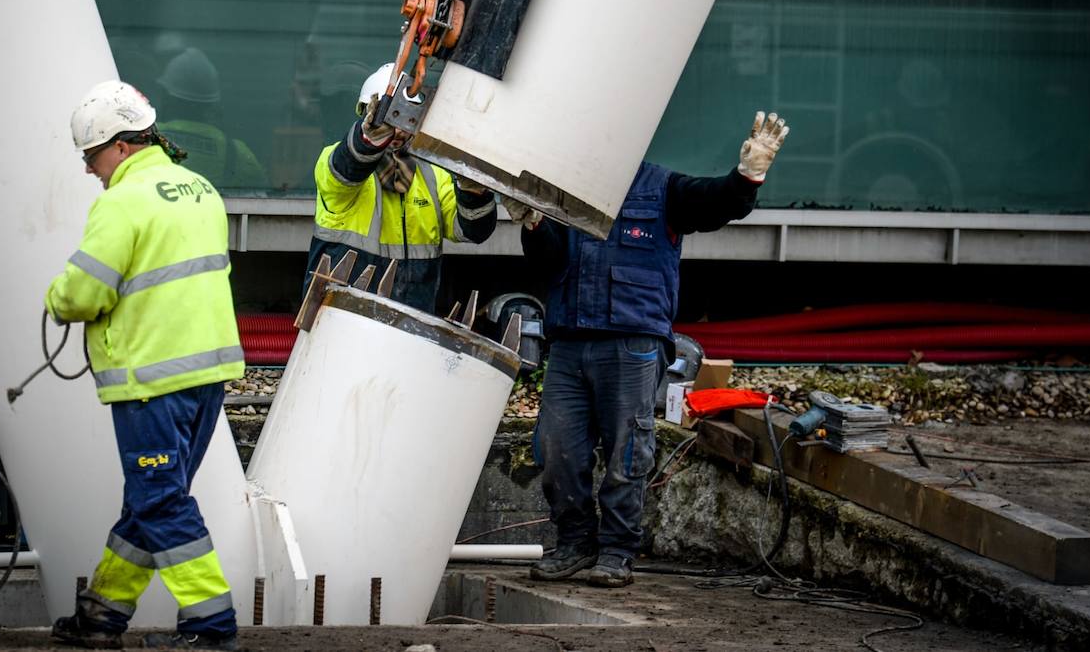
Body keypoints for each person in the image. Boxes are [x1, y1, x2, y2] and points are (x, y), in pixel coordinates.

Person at [520, 111, 790, 588]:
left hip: (632, 343)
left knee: (629, 451)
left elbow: (714, 204)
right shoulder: (566, 191)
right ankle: (575, 543)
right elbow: (548, 260)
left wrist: (747, 176)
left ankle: (619, 551)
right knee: (557, 447)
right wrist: (534, 224)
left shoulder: (662, 188)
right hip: (569, 341)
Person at [45, 80, 245, 651]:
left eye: (91, 155)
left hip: (150, 381)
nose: (89, 169)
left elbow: (82, 294)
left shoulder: (122, 202)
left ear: (122, 146)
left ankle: (211, 628)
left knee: (160, 501)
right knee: (151, 499)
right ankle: (101, 617)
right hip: (205, 378)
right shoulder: (200, 188)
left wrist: (56, 298)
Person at [303, 62, 498, 312]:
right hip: (339, 323)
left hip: (408, 327)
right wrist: (369, 140)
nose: (396, 130)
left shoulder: (433, 174)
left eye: (405, 119)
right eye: (388, 119)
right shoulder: (336, 161)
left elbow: (473, 230)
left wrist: (474, 188)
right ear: (368, 114)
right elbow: (348, 167)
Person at [152, 46, 268, 190]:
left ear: (166, 97)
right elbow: (262, 194)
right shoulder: (237, 153)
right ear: (213, 103)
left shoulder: (146, 139)